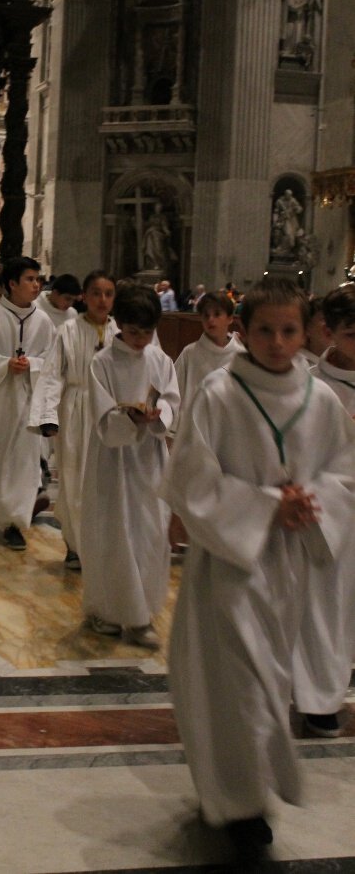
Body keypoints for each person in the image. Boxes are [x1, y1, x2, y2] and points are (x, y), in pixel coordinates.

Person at [161, 278, 355, 864]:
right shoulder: (220, 393)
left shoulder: (320, 399)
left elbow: (343, 471)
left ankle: (244, 792)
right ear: (242, 329)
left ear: (307, 332)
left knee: (271, 679)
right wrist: (270, 504)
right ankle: (241, 805)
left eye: (289, 330)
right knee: (236, 682)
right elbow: (192, 478)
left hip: (287, 562)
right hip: (231, 562)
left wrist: (310, 503)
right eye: (265, 329)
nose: (277, 342)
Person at [81, 283, 179, 646]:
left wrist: (157, 416)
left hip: (149, 460)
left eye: (148, 332)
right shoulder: (102, 362)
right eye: (134, 332)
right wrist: (128, 420)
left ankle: (142, 614)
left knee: (150, 533)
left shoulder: (159, 359)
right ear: (118, 324)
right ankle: (109, 611)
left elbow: (172, 399)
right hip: (113, 460)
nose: (140, 340)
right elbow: (103, 417)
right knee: (114, 533)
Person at [293, 283, 355, 738]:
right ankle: (319, 697)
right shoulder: (311, 385)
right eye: (352, 333)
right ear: (327, 331)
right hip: (330, 511)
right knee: (325, 605)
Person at [0, 256, 55, 550]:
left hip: (27, 400)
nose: (36, 284)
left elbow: (53, 361)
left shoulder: (43, 321)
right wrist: (5, 365)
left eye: (37, 279)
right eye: (29, 279)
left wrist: (32, 365)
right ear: (12, 284)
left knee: (23, 461)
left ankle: (15, 522)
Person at [29, 270, 118, 569]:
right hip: (76, 409)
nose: (102, 300)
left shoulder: (121, 334)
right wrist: (48, 414)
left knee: (104, 482)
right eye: (96, 293)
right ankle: (75, 545)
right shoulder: (68, 330)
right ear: (85, 296)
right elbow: (53, 375)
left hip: (110, 414)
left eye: (108, 294)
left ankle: (99, 543)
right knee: (74, 477)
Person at [171, 291, 244, 432]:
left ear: (230, 318)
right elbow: (175, 391)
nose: (211, 319)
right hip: (195, 430)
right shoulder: (190, 353)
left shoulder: (241, 355)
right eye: (206, 315)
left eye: (217, 314)